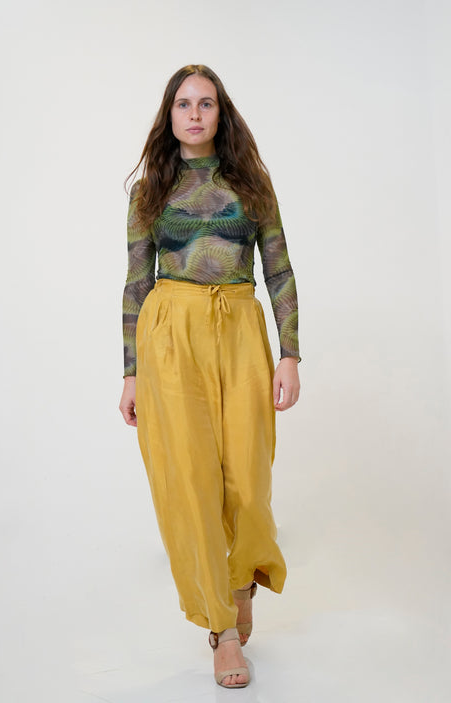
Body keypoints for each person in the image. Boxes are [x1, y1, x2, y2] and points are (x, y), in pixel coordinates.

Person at [119, 64, 300, 689]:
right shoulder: (151, 190)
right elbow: (135, 283)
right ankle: (221, 629)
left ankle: (241, 577)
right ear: (168, 116)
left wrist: (290, 354)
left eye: (206, 103)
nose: (194, 114)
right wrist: (131, 373)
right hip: (170, 335)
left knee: (248, 478)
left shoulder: (251, 184)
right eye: (183, 104)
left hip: (240, 331)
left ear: (222, 114)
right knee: (190, 483)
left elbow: (279, 269)